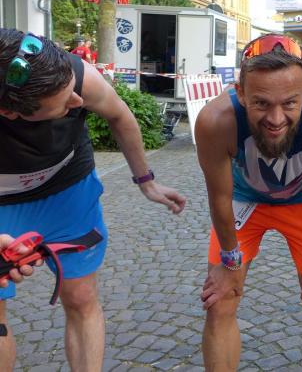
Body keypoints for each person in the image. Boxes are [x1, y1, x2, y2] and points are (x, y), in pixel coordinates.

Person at [0, 28, 186, 371]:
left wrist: (146, 182)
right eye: (63, 105)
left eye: (73, 91)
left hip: (67, 189)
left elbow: (119, 115)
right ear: (10, 112)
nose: (77, 103)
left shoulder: (78, 75)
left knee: (81, 296)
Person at [196, 34, 302, 371]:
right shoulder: (215, 121)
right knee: (220, 301)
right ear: (240, 93)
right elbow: (219, 198)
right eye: (262, 104)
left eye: (289, 103)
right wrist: (229, 262)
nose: (276, 118)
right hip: (244, 201)